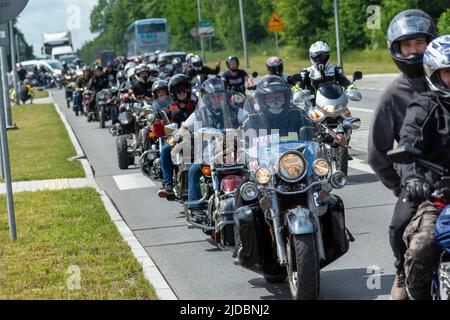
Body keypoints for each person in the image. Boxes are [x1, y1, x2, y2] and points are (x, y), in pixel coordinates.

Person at [367, 9, 438, 300]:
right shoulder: (393, 94)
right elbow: (376, 153)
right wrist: (402, 186)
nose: (413, 51)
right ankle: (401, 270)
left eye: (419, 43)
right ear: (396, 50)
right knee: (399, 225)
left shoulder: (446, 80)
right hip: (417, 176)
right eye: (406, 45)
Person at [396, 35, 450, 300]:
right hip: (438, 195)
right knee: (422, 246)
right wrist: (415, 178)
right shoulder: (424, 106)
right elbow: (408, 144)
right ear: (435, 74)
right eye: (449, 72)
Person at [181, 78, 243, 223]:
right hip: (209, 154)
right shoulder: (199, 114)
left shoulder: (236, 111)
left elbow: (251, 119)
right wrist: (182, 134)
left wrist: (252, 126)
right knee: (194, 170)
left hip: (235, 152)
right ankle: (196, 208)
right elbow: (184, 127)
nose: (217, 98)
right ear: (207, 98)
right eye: (213, 96)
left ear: (226, 95)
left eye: (219, 95)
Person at [158, 74, 197, 198]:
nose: (182, 93)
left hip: (196, 137)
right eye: (179, 91)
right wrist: (157, 124)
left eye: (184, 90)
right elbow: (161, 130)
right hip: (175, 138)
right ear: (174, 93)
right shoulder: (168, 110)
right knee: (165, 150)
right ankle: (168, 184)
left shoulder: (196, 106)